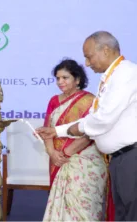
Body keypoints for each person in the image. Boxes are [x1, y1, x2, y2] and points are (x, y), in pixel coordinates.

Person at [36, 31, 137, 221]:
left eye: (89, 57)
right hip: (119, 159)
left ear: (105, 50)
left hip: (130, 157)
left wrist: (73, 133)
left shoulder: (126, 74)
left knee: (131, 214)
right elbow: (95, 116)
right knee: (124, 215)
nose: (88, 63)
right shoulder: (111, 77)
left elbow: (102, 119)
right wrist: (57, 131)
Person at [41, 59, 107, 221]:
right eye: (57, 78)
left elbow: (90, 132)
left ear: (77, 80)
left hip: (85, 160)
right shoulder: (54, 101)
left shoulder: (90, 101)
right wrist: (52, 152)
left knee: (83, 210)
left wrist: (66, 153)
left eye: (65, 78)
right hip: (58, 159)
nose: (60, 82)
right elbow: (47, 130)